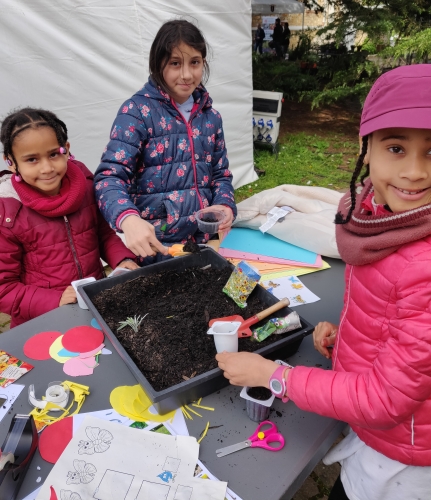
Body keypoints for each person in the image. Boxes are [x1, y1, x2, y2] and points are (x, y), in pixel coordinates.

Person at [217, 64, 431, 500]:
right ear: (365, 148)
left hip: (406, 458)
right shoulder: (379, 219)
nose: (413, 172)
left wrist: (274, 375)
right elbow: (393, 320)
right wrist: (351, 337)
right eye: (395, 147)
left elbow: (386, 399)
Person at [94, 20, 237, 262]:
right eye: (174, 63)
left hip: (203, 246)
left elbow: (220, 175)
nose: (186, 75)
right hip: (154, 250)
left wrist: (224, 204)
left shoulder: (210, 117)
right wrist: (128, 219)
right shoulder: (136, 112)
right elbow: (109, 178)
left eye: (195, 62)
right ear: (157, 65)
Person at [0, 108, 138, 328]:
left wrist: (122, 259)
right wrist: (55, 300)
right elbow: (4, 289)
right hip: (44, 321)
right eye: (32, 159)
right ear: (11, 162)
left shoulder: (85, 184)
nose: (47, 168)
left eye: (53, 154)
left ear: (67, 149)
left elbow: (102, 235)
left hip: (95, 305)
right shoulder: (7, 213)